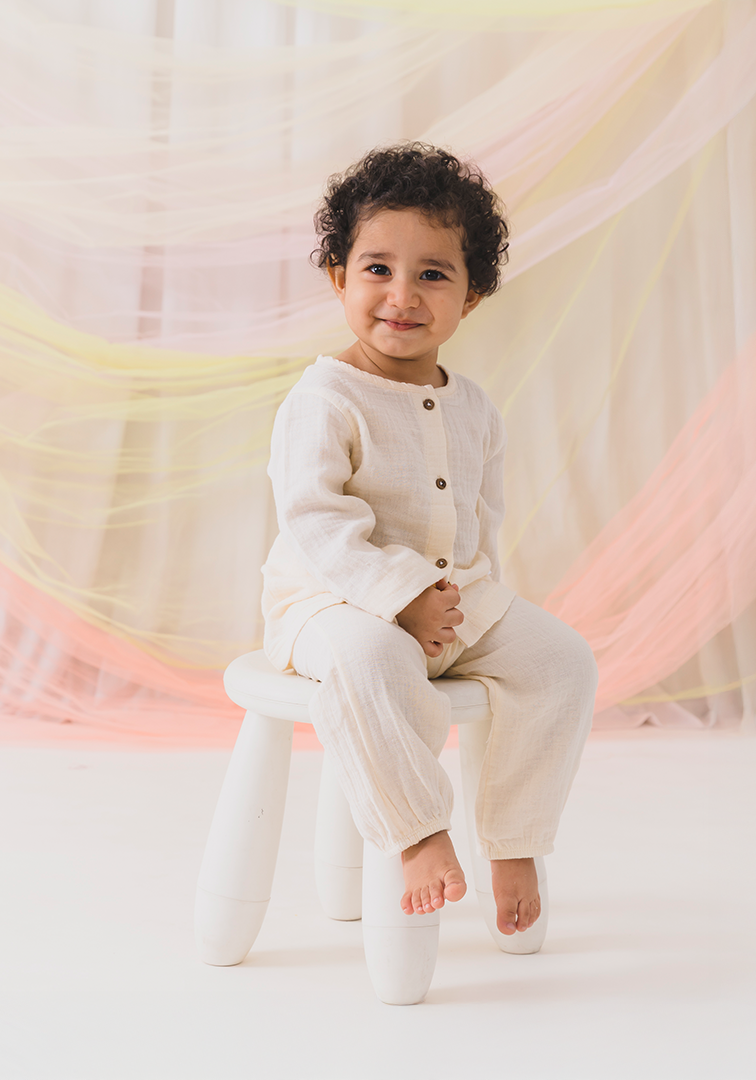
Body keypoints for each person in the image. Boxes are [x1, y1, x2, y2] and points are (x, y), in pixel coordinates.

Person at [261, 143, 597, 937]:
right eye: (376, 269)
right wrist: (399, 597)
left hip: (451, 600)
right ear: (339, 277)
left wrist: (464, 610)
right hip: (331, 602)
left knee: (560, 662)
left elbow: (482, 524)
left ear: (471, 297)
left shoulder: (475, 407)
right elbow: (314, 523)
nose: (401, 295)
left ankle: (514, 836)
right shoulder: (324, 398)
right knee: (372, 661)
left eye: (433, 274)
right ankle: (417, 831)